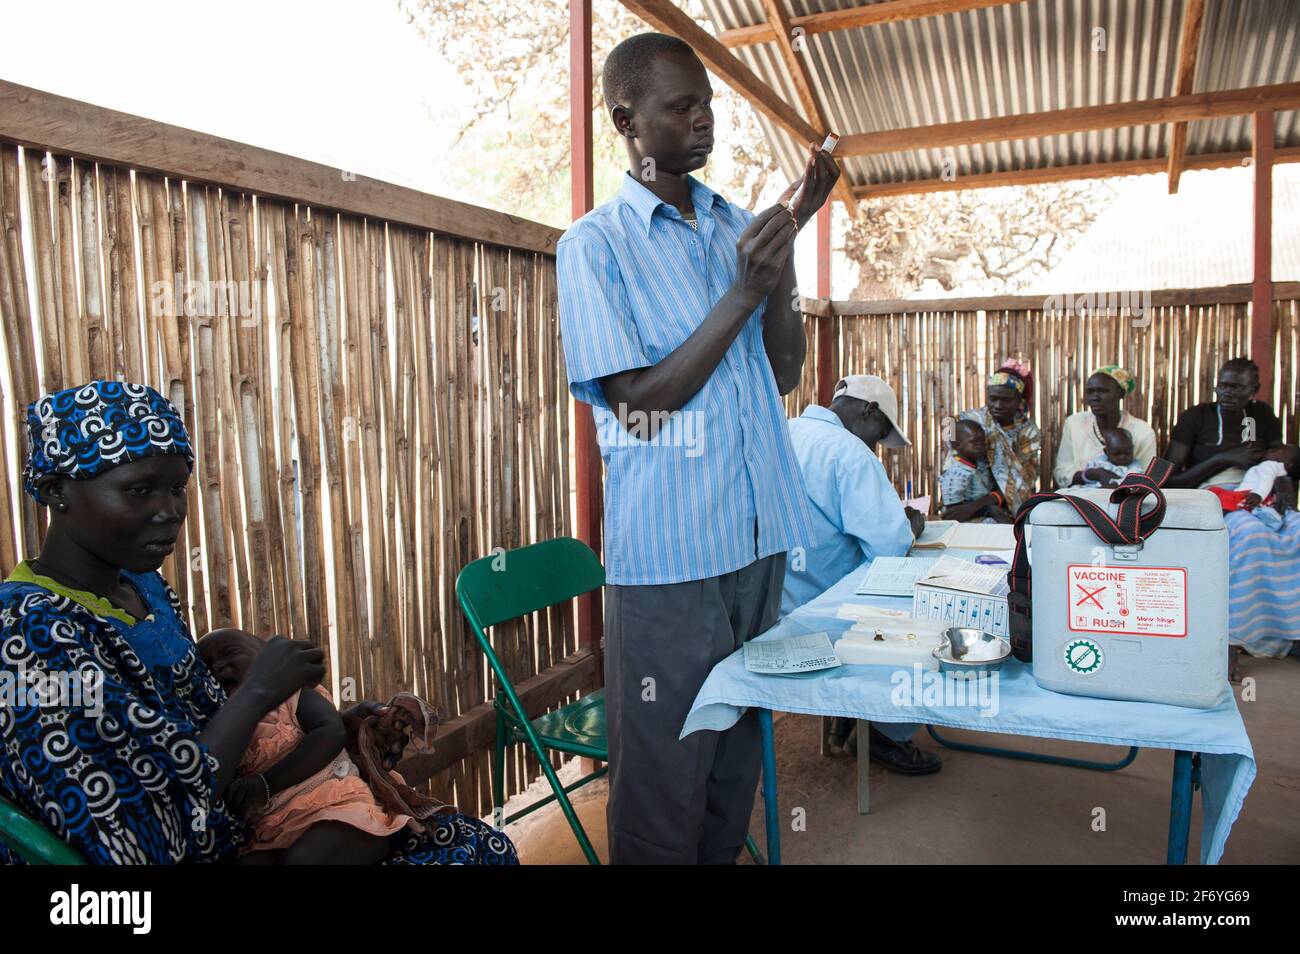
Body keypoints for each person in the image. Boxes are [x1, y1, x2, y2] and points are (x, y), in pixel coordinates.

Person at [0, 380, 516, 865]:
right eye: (140, 491)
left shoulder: (139, 588)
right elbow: (146, 834)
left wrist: (329, 733)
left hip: (249, 822)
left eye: (177, 488)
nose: (171, 511)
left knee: (477, 845)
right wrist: (259, 691)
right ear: (55, 491)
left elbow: (201, 722)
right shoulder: (29, 634)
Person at [556, 32, 838, 864]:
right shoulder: (595, 247)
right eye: (680, 107)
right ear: (627, 121)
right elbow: (638, 406)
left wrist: (778, 269)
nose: (703, 121)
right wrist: (741, 293)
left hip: (756, 541)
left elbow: (782, 372)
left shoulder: (733, 228)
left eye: (708, 104)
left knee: (733, 761)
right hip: (672, 561)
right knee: (665, 775)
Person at [782, 375, 939, 775]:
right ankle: (887, 734)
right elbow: (890, 548)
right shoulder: (849, 453)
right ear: (868, 411)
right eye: (879, 433)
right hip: (827, 610)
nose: (876, 445)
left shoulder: (782, 432)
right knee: (919, 614)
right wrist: (911, 528)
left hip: (775, 604)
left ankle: (848, 719)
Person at [198, 628, 421, 865]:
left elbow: (331, 732)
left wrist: (264, 784)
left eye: (229, 653)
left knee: (303, 859)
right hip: (276, 828)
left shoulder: (292, 694)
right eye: (208, 667)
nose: (218, 668)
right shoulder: (227, 728)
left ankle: (376, 837)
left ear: (270, 656)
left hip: (338, 808)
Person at [1165, 357, 1284, 489]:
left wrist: (1284, 485)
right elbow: (1164, 479)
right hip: (1207, 498)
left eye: (1236, 388)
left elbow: (1282, 462)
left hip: (1255, 495)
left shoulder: (1262, 414)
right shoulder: (1196, 417)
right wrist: (1222, 459)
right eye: (1222, 386)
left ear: (1254, 390)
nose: (1227, 393)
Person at [955, 361, 1041, 512]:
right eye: (993, 399)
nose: (998, 405)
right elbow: (954, 457)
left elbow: (1026, 478)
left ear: (1019, 401)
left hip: (1009, 505)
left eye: (1006, 400)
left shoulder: (1028, 432)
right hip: (968, 499)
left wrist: (993, 498)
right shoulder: (973, 420)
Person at [1053, 366, 1157, 488]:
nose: (1095, 397)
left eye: (1102, 391)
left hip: (1125, 501)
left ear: (1121, 393)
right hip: (1079, 500)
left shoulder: (1142, 432)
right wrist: (1093, 474)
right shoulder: (1074, 424)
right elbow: (1062, 472)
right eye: (1090, 392)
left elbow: (1146, 478)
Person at [940, 420, 1014, 523]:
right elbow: (953, 512)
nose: (981, 446)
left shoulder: (981, 463)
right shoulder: (957, 472)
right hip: (965, 519)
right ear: (957, 445)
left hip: (979, 509)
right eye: (974, 442)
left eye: (983, 442)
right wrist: (989, 501)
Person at [1074, 427, 1143, 488]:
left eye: (1127, 453)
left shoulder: (1134, 467)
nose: (1122, 457)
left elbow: (1130, 483)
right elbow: (1085, 475)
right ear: (1106, 452)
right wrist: (1092, 473)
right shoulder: (1100, 461)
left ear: (1132, 449)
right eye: (1117, 454)